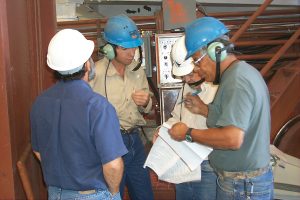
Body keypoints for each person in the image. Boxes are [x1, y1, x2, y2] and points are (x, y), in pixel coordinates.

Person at [169, 17, 274, 200]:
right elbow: (235, 121)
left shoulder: (237, 81)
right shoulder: (238, 74)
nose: (198, 70)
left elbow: (232, 138)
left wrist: (187, 133)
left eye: (197, 61)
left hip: (242, 186)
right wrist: (204, 110)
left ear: (215, 51)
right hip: (240, 183)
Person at [30, 29, 128, 200]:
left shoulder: (40, 103)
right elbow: (113, 165)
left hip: (55, 194)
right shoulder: (98, 107)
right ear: (87, 65)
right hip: (92, 195)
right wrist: (112, 194)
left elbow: (38, 152)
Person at [90, 14, 154, 200]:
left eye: (134, 48)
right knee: (113, 194)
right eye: (125, 48)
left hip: (135, 140)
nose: (131, 53)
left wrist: (146, 103)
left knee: (144, 194)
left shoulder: (137, 70)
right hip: (110, 142)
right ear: (109, 49)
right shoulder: (95, 73)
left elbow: (147, 108)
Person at [153, 35, 219, 200]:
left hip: (208, 163)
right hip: (183, 158)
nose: (187, 80)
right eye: (183, 77)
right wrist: (163, 129)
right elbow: (177, 116)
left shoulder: (219, 88)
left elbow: (226, 127)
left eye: (190, 75)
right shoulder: (188, 85)